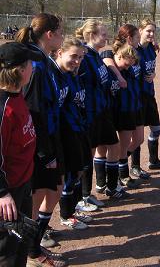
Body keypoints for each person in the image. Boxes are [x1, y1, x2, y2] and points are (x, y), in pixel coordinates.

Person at [15, 13, 68, 266]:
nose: (63, 36)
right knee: (35, 198)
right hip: (38, 144)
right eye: (61, 32)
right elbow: (34, 112)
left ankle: (34, 244)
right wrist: (45, 152)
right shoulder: (35, 65)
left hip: (49, 137)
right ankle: (31, 252)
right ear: (50, 34)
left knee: (55, 188)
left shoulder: (43, 60)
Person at [0, 42, 40, 266]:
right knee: (7, 250)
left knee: (21, 242)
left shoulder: (17, 96)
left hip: (23, 183)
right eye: (30, 64)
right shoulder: (3, 107)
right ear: (20, 70)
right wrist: (2, 193)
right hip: (8, 191)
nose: (33, 67)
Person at [75, 19, 123, 200]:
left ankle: (110, 186)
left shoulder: (96, 55)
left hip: (103, 110)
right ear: (91, 35)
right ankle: (84, 195)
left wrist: (113, 83)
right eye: (103, 34)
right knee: (89, 153)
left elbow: (103, 80)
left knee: (114, 145)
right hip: (91, 113)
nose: (106, 37)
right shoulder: (84, 57)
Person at [53, 38, 93, 230]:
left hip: (77, 128)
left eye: (81, 57)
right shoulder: (53, 75)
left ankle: (73, 209)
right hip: (63, 133)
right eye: (73, 56)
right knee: (68, 175)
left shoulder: (71, 74)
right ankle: (66, 215)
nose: (77, 61)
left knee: (79, 170)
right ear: (60, 52)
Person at [101, 24, 145, 187]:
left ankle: (117, 169)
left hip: (135, 103)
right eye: (136, 37)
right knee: (119, 143)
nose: (139, 40)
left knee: (137, 139)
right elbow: (106, 56)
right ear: (128, 38)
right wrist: (119, 76)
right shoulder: (113, 55)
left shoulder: (135, 54)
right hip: (121, 106)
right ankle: (121, 174)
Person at [130, 18, 160, 178]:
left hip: (149, 94)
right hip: (137, 96)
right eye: (148, 31)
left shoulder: (152, 49)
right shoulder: (134, 51)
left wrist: (154, 74)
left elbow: (151, 69)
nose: (151, 34)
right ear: (140, 31)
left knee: (156, 129)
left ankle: (153, 160)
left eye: (153, 31)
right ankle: (135, 166)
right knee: (137, 135)